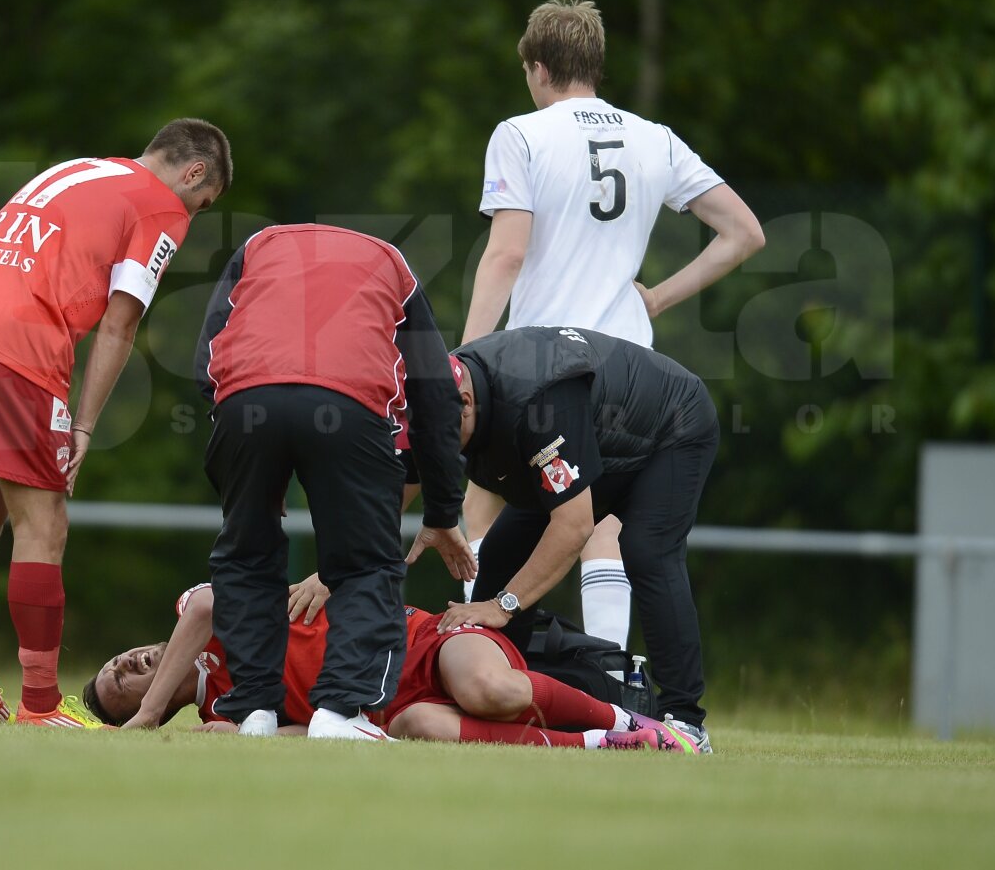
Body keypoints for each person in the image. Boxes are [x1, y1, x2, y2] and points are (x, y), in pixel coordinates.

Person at [460, 0, 764, 649]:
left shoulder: (521, 134)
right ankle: (618, 677)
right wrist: (656, 299)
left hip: (538, 367)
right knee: (601, 520)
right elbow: (744, 233)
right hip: (628, 366)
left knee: (481, 499)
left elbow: (507, 252)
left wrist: (467, 356)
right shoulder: (655, 138)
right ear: (595, 66)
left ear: (538, 68)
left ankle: (477, 657)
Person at [0, 118, 233, 728]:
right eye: (204, 202)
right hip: (16, 350)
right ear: (193, 173)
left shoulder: (72, 171)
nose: (193, 215)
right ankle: (38, 704)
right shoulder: (157, 205)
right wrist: (84, 426)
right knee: (45, 525)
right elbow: (120, 324)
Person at [193, 224, 476, 741]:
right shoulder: (393, 263)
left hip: (243, 402)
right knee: (365, 562)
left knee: (245, 555)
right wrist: (441, 510)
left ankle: (252, 711)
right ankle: (342, 712)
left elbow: (205, 358)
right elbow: (437, 395)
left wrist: (243, 469)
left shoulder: (257, 245)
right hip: (350, 405)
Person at [431, 326, 721, 754]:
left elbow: (572, 526)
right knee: (501, 553)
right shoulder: (438, 398)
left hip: (671, 424)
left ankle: (685, 720)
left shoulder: (537, 401)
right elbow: (400, 482)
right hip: (600, 442)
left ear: (467, 405)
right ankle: (507, 700)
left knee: (647, 551)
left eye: (438, 438)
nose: (433, 449)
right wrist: (335, 571)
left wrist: (502, 605)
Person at [82, 578, 698, 752]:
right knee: (423, 731)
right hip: (390, 705)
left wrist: (146, 714)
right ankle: (605, 743)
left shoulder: (199, 613)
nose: (130, 663)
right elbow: (313, 730)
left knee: (488, 690)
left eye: (117, 662)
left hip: (420, 640)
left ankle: (635, 716)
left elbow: (209, 605)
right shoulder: (222, 714)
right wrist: (246, 732)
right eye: (124, 684)